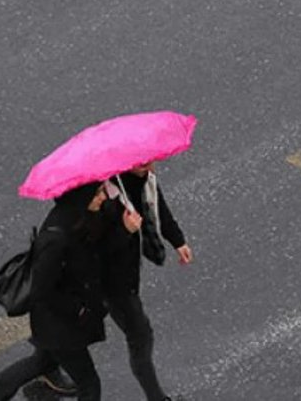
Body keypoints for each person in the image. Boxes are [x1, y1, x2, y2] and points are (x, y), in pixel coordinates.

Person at [46, 162, 193, 401]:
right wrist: (125, 229)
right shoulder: (107, 195)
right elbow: (95, 250)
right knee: (140, 336)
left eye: (151, 158)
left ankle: (45, 361)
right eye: (143, 161)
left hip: (119, 277)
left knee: (71, 332)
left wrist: (178, 240)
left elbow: (159, 208)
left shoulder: (145, 179)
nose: (149, 165)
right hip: (112, 284)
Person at [0, 182, 110, 401]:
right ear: (82, 198)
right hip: (60, 325)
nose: (104, 197)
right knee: (90, 385)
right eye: (98, 193)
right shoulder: (56, 239)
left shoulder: (77, 216)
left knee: (42, 361)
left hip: (58, 322)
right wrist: (79, 310)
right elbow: (42, 290)